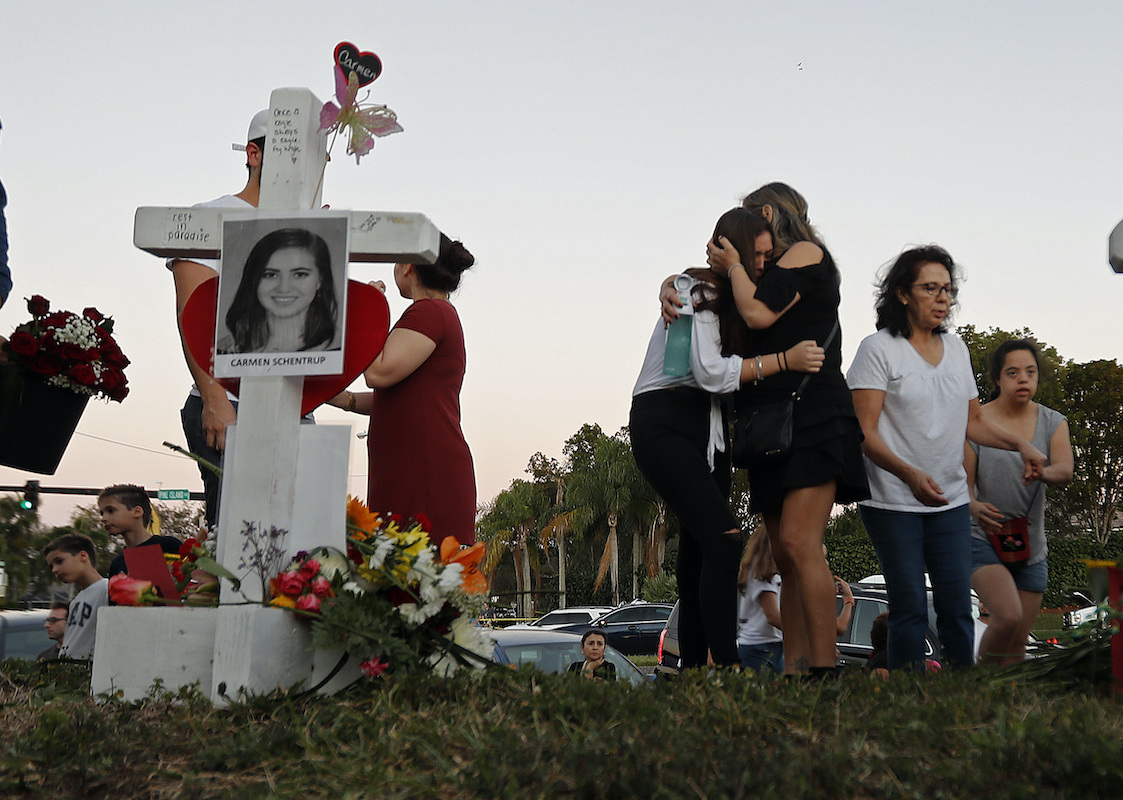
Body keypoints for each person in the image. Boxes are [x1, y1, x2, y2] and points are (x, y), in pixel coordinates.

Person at [635, 207, 825, 670]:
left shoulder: (748, 302)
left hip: (713, 430)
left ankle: (695, 670)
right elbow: (709, 372)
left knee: (701, 547)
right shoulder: (694, 289)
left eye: (768, 256)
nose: (763, 264)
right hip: (666, 418)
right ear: (729, 247)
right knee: (724, 538)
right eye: (755, 254)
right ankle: (727, 662)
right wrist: (785, 360)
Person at [694, 183, 870, 678]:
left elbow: (758, 312)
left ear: (768, 212)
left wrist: (731, 267)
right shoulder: (755, 275)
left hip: (812, 413)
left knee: (797, 542)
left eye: (754, 222)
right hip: (765, 425)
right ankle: (794, 671)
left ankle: (824, 668)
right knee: (784, 560)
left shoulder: (808, 252)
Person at [847, 245, 1046, 671]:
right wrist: (909, 474)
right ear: (902, 293)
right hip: (892, 502)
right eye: (931, 288)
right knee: (910, 608)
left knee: (957, 608)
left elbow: (972, 421)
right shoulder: (877, 349)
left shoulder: (956, 349)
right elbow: (863, 431)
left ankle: (962, 698)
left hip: (951, 503)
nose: (943, 298)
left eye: (948, 290)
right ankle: (909, 698)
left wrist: (1020, 445)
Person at [329, 234, 478, 547]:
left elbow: (379, 372)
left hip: (423, 473)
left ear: (408, 265)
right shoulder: (437, 313)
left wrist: (368, 309)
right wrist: (345, 400)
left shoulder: (429, 312)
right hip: (418, 468)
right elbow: (407, 393)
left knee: (409, 581)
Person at [169, 109, 268, 531]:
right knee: (236, 541)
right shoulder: (211, 215)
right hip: (232, 404)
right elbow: (193, 312)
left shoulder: (314, 223)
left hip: (290, 409)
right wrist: (214, 399)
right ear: (254, 154)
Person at [967, 340, 1072, 665]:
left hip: (1032, 546)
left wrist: (1042, 473)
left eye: (1030, 372)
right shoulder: (977, 421)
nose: (1023, 379)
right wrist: (974, 507)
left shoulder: (1053, 421)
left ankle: (1004, 707)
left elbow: (1064, 470)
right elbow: (962, 484)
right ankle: (976, 685)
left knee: (1016, 647)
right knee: (1008, 616)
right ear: (998, 378)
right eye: (1013, 372)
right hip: (981, 537)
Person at [220, 227, 339, 354]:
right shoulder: (223, 349)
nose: (284, 288)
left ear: (320, 279)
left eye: (300, 274)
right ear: (253, 280)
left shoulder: (342, 347)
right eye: (270, 275)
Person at [43, 533, 108, 660]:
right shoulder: (76, 600)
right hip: (70, 673)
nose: (54, 570)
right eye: (51, 566)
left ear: (83, 556)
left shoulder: (106, 589)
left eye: (59, 561)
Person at [98, 484, 182, 578]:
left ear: (137, 512)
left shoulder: (168, 545)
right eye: (102, 513)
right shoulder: (118, 562)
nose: (103, 518)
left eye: (110, 511)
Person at [736, 527, 783, 674]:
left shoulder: (758, 572)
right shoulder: (761, 574)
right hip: (759, 648)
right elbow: (773, 616)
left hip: (762, 645)